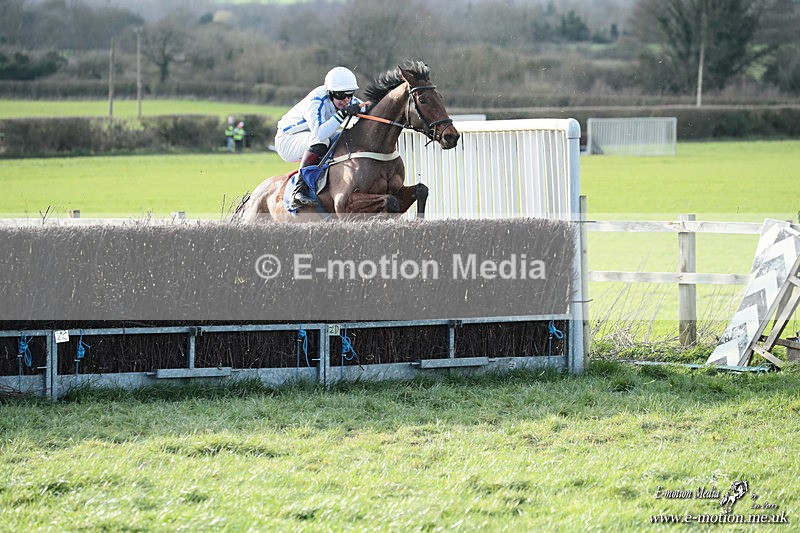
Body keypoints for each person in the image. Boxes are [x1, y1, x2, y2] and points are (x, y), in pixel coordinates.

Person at [275, 66, 366, 208]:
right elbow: (320, 133)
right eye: (341, 96)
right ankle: (298, 191)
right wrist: (343, 114)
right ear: (330, 93)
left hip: (308, 137)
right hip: (287, 140)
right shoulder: (316, 100)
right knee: (322, 140)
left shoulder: (344, 98)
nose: (346, 100)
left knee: (344, 137)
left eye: (350, 94)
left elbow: (369, 108)